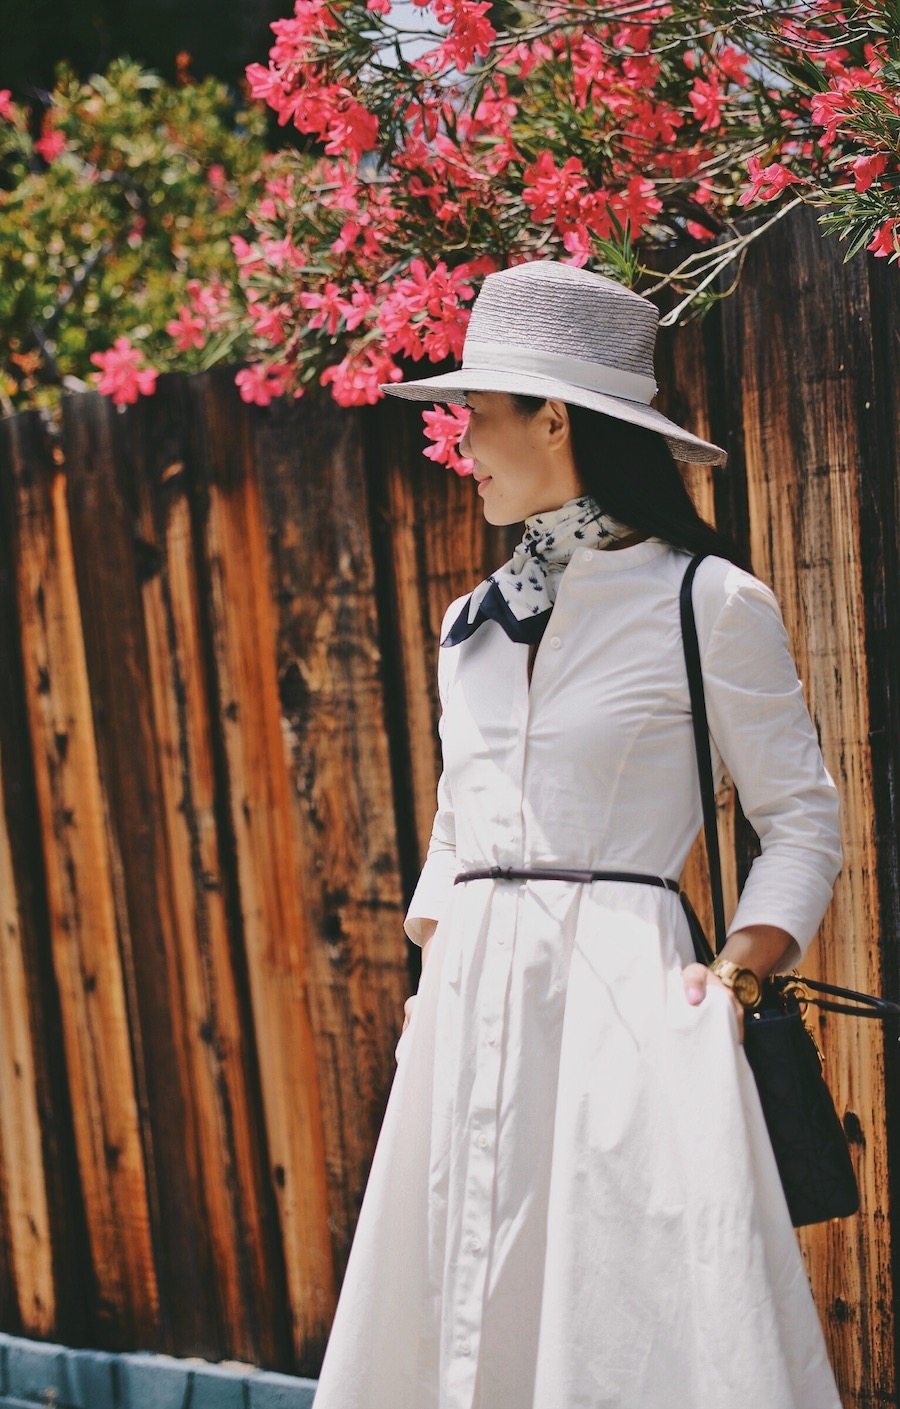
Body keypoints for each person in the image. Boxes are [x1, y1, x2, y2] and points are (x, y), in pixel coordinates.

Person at [311, 260, 844, 1409]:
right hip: (465, 1016)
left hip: (630, 1010)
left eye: (479, 416)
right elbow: (461, 819)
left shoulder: (710, 600)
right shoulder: (469, 621)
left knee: (624, 1324)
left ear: (554, 418)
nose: (463, 444)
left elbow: (800, 817)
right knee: (454, 1316)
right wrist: (437, 962)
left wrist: (740, 978)